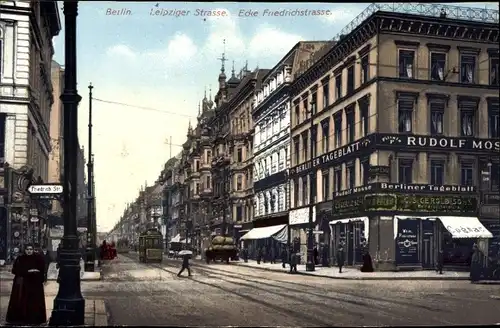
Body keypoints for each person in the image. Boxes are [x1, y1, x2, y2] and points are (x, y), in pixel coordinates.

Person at [5, 244, 47, 325]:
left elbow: (42, 270)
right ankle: (22, 319)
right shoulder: (20, 258)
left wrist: (38, 274)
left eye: (31, 249)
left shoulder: (38, 258)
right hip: (24, 284)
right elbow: (15, 270)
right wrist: (28, 271)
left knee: (34, 302)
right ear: (25, 250)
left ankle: (34, 319)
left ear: (33, 249)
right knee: (23, 301)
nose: (29, 251)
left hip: (35, 283)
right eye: (27, 249)